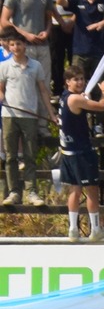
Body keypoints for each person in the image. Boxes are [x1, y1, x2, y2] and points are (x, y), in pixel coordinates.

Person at [0, 35, 54, 206]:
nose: (16, 47)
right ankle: (14, 192)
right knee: (10, 157)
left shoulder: (35, 66)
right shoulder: (4, 66)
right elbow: (1, 91)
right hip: (9, 115)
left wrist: (51, 114)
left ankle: (31, 192)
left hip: (30, 116)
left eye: (19, 44)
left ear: (25, 45)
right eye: (12, 44)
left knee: (30, 155)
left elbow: (44, 91)